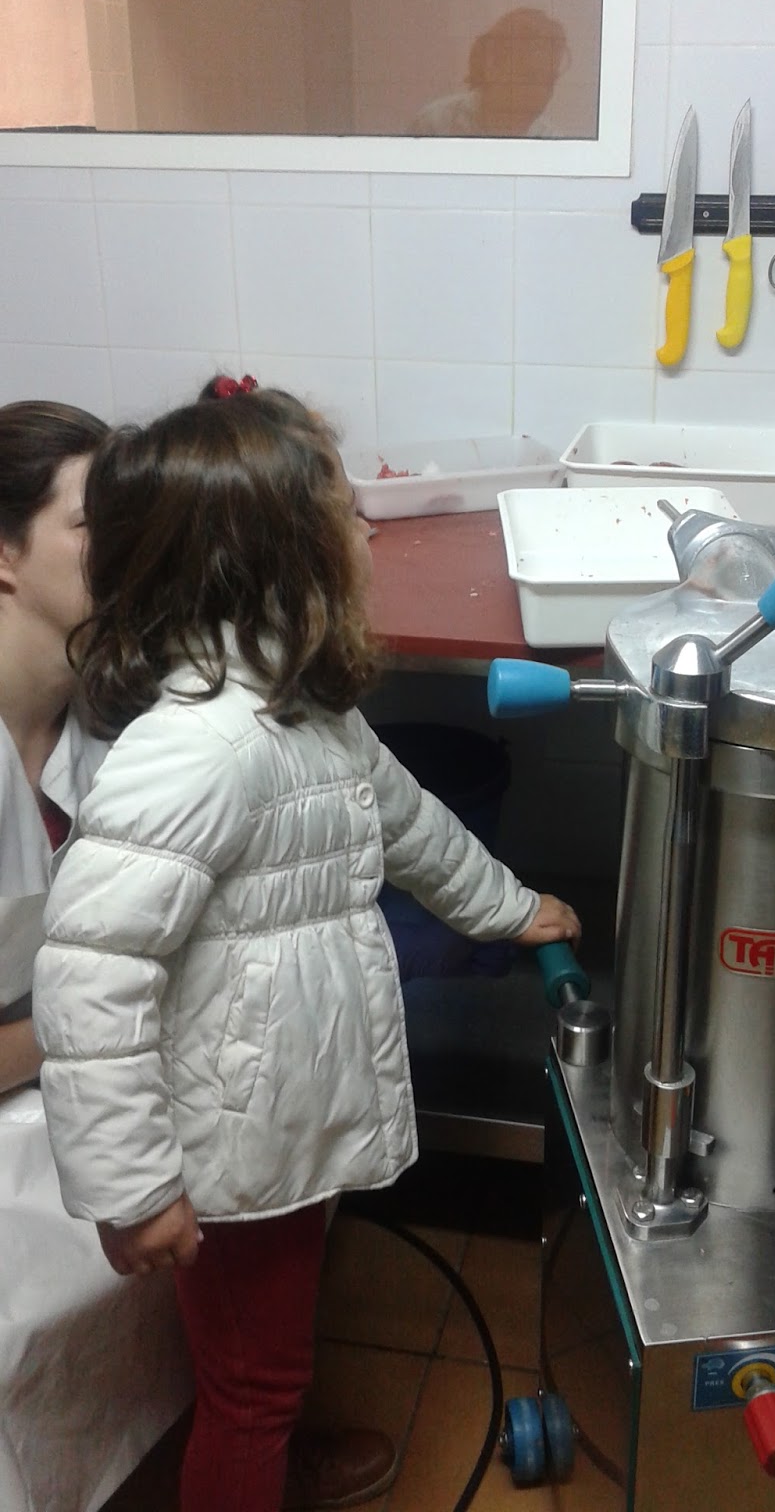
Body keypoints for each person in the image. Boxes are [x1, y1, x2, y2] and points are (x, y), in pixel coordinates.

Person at [33, 381, 581, 1512]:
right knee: (251, 1385)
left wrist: (508, 906)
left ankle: (275, 1451)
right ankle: (257, 1458)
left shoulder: (302, 704)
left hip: (281, 1106)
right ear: (276, 558)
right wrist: (131, 1186)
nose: (365, 534)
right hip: (228, 1135)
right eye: (343, 516)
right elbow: (90, 975)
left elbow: (408, 821)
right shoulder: (198, 748)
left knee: (267, 1355)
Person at [0, 400, 192, 1512]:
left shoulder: (104, 732)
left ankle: (236, 1432)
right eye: (91, 524)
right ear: (4, 556)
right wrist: (99, 1018)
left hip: (53, 1072)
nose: (125, 547)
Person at [410, 6, 570, 137]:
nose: (541, 95)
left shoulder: (551, 141)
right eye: (529, 78)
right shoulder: (434, 125)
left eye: (549, 81)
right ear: (492, 68)